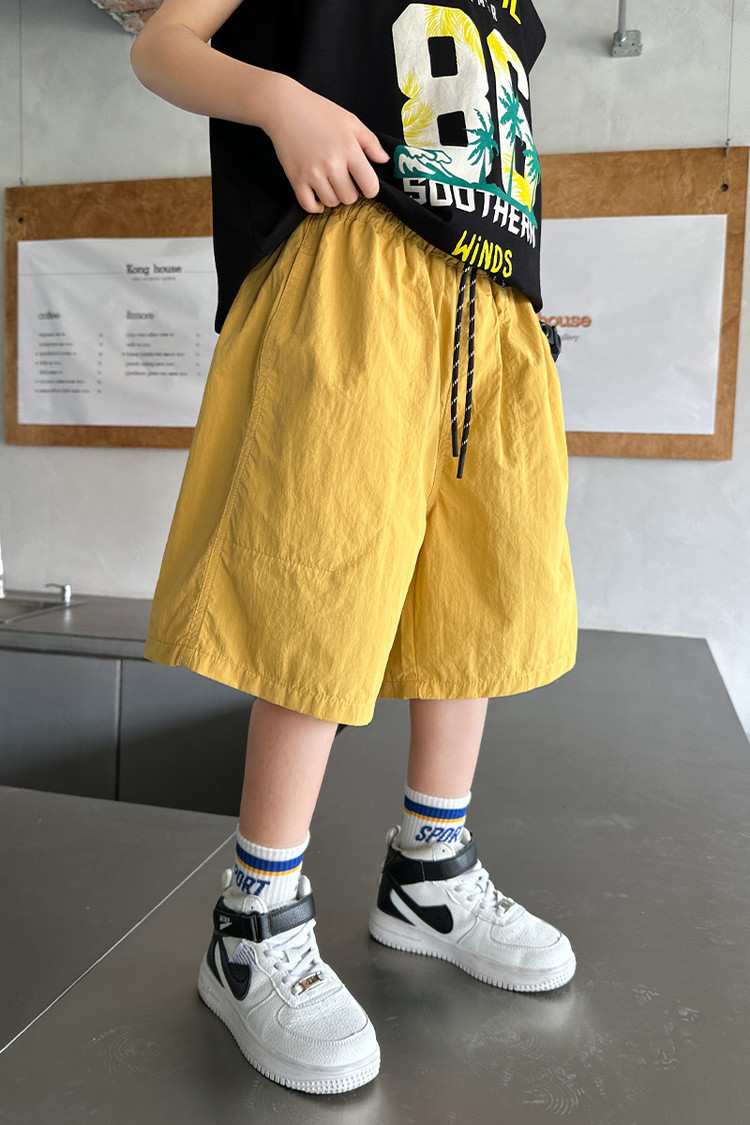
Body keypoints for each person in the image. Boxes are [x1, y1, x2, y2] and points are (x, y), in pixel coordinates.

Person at [130, 0, 578, 1096]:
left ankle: (433, 868)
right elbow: (161, 44)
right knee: (321, 576)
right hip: (354, 264)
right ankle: (256, 920)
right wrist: (281, 103)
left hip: (493, 302)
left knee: (479, 587)